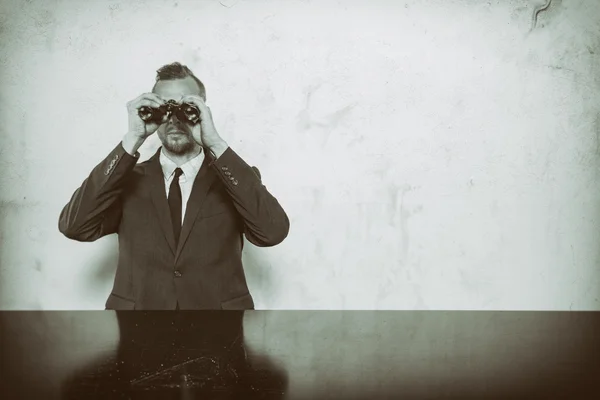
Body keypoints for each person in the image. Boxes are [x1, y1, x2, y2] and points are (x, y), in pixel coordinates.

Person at [58, 62, 290, 310]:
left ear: (202, 109)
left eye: (185, 107)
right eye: (165, 108)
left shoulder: (233, 177)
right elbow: (75, 226)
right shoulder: (126, 179)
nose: (174, 119)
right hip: (139, 331)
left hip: (217, 331)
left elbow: (272, 232)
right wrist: (132, 139)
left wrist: (215, 143)